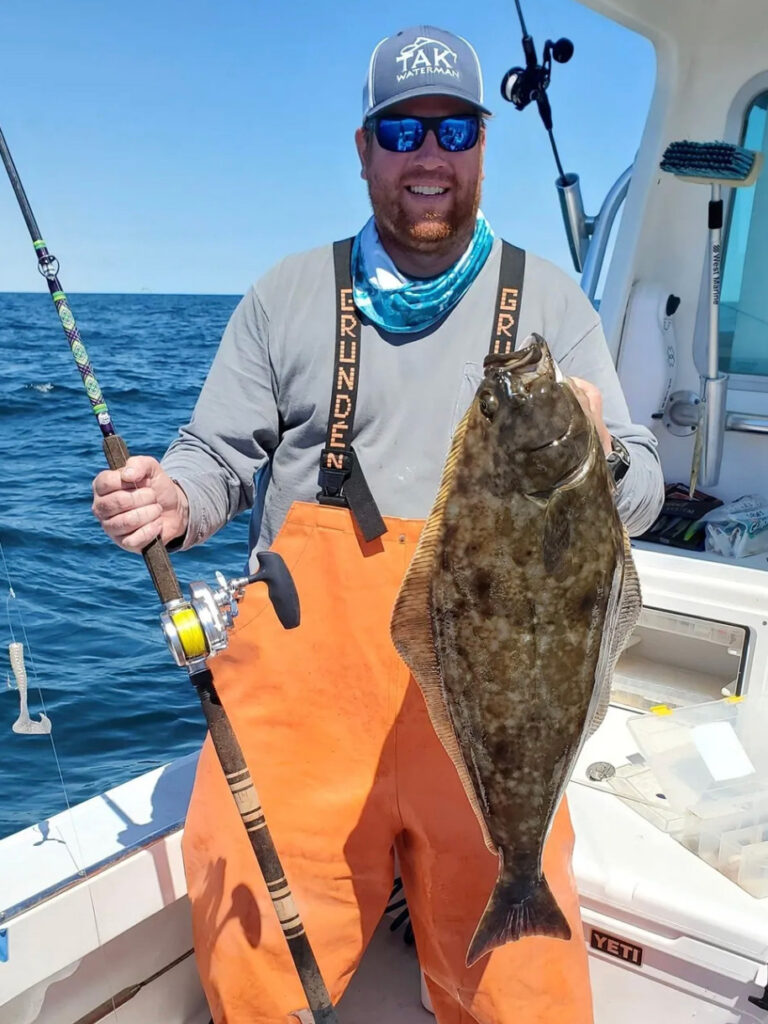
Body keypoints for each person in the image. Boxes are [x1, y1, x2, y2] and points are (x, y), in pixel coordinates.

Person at [92, 24, 664, 1024]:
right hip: (312, 695)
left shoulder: (553, 301)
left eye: (453, 128)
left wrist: (601, 454)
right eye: (402, 130)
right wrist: (174, 498)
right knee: (253, 948)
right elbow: (217, 455)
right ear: (364, 150)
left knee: (525, 988)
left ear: (483, 147)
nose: (429, 154)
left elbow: (646, 484)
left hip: (485, 701)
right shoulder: (287, 297)